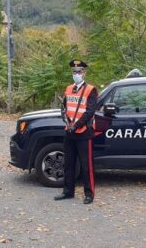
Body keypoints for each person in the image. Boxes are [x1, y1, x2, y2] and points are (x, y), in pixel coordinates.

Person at [54, 59, 98, 204]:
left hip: (84, 132)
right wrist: (67, 121)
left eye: (79, 72)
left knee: (86, 166)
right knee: (68, 164)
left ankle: (89, 194)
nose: (76, 74)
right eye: (74, 72)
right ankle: (68, 192)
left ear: (84, 73)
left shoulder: (91, 90)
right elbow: (64, 108)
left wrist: (76, 125)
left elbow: (90, 112)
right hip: (69, 132)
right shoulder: (68, 89)